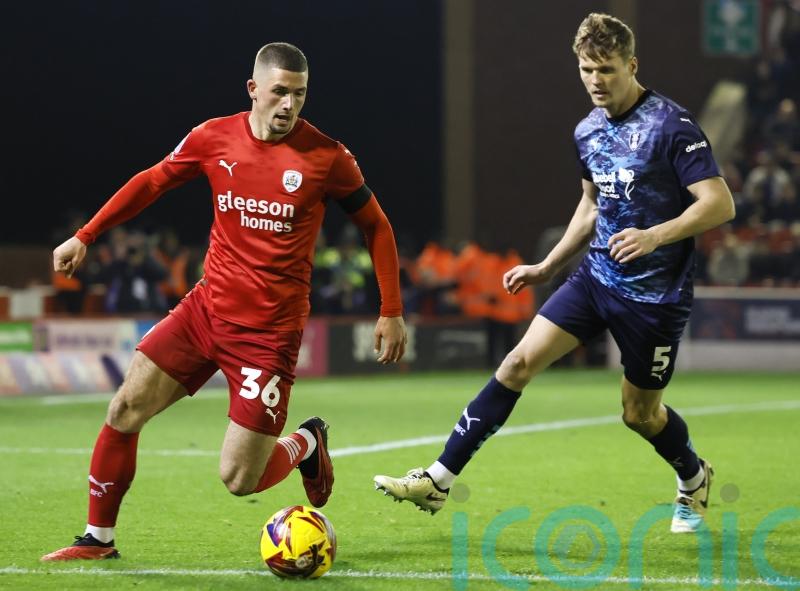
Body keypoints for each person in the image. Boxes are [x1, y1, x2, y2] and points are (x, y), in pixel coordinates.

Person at [43, 42, 407, 561]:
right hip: (205, 311)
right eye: (279, 91)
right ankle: (97, 539)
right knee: (124, 408)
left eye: (299, 94)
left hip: (268, 334)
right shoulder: (213, 137)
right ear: (253, 89)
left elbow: (376, 225)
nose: (289, 104)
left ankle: (306, 442)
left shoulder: (328, 157)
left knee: (240, 479)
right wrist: (87, 235)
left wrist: (390, 309)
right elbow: (151, 182)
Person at [374, 13, 735, 535]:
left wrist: (655, 235)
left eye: (607, 69)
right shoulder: (587, 131)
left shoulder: (671, 126)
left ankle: (693, 476)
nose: (595, 80)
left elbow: (719, 203)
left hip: (654, 298)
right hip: (595, 279)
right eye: (587, 69)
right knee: (517, 363)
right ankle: (438, 479)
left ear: (632, 65)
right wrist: (547, 266)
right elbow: (591, 205)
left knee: (639, 414)